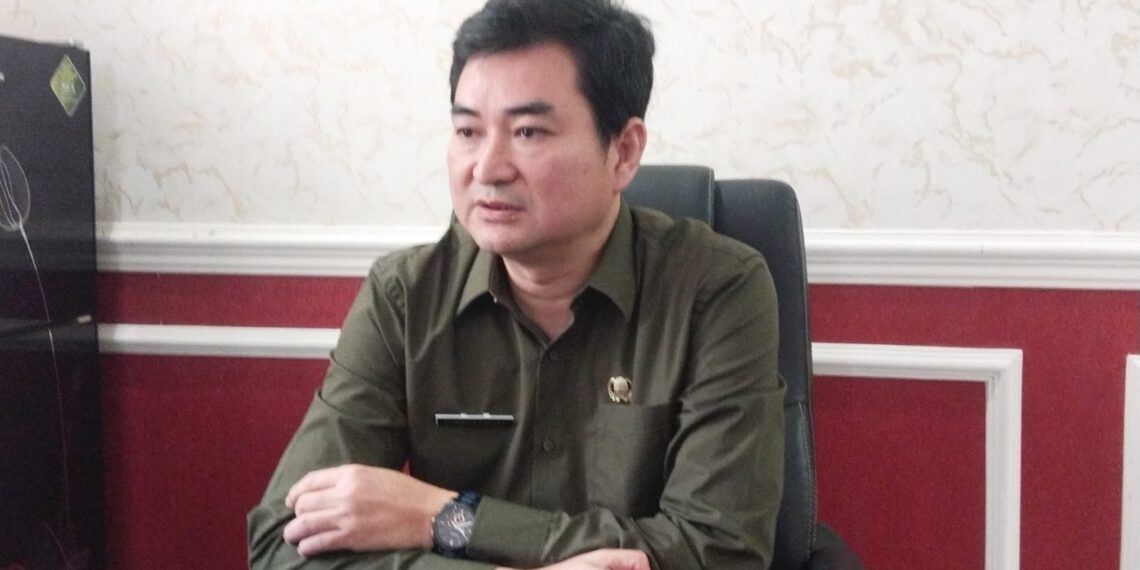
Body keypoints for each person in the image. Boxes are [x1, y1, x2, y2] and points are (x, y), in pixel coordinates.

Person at [247, 0, 786, 568]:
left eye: (528, 131)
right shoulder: (404, 297)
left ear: (623, 152)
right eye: (467, 131)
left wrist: (443, 517)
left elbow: (717, 551)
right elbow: (283, 539)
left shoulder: (716, 290)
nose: (486, 168)